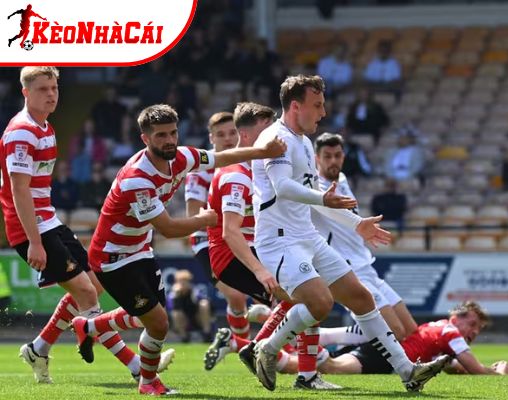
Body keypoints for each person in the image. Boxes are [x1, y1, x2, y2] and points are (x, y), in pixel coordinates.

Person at [69, 103, 287, 395]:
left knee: (150, 317)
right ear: (145, 139)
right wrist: (203, 220)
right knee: (159, 323)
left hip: (140, 248)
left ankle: (90, 327)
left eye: (173, 133)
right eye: (161, 135)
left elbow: (221, 158)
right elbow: (169, 228)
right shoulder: (137, 179)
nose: (169, 140)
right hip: (113, 257)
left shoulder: (182, 156)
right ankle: (148, 383)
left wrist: (262, 152)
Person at [250, 75, 447, 393]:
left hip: (306, 235)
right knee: (320, 303)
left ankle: (408, 371)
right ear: (296, 106)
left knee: (361, 297)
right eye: (317, 105)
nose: (323, 112)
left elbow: (315, 196)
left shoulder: (301, 141)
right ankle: (268, 349)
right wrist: (321, 198)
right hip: (280, 239)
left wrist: (357, 224)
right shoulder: (276, 138)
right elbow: (281, 187)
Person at [3, 67, 174, 385]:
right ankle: (137, 366)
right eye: (42, 89)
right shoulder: (22, 132)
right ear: (26, 92)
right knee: (86, 294)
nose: (51, 94)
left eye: (54, 87)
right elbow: (18, 189)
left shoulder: (46, 128)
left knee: (93, 285)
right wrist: (34, 241)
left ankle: (38, 348)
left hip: (49, 220)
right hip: (31, 227)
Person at [202, 101, 340, 390]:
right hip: (234, 255)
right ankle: (277, 358)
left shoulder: (258, 167)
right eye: (267, 130)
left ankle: (287, 364)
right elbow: (230, 232)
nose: (276, 136)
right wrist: (260, 272)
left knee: (307, 294)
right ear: (249, 136)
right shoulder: (236, 175)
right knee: (307, 296)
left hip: (257, 247)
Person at [312, 132, 418, 345]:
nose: (333, 161)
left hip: (365, 264)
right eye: (327, 156)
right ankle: (322, 339)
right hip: (347, 270)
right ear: (317, 158)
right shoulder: (315, 190)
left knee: (410, 330)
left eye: (338, 155)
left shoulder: (341, 179)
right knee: (394, 331)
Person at [185, 112, 252, 344]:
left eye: (232, 132)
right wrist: (216, 218)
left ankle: (242, 345)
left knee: (273, 293)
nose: (228, 139)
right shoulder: (201, 169)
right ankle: (243, 346)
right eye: (221, 134)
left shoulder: (250, 162)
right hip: (209, 240)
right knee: (235, 295)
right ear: (211, 138)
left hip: (244, 237)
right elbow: (193, 215)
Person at [307, 301, 508, 376]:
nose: (475, 332)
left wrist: (486, 370)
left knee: (317, 366)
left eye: (479, 328)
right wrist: (500, 373)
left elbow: (454, 367)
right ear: (455, 318)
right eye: (473, 324)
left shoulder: (438, 328)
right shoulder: (451, 333)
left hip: (383, 350)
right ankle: (308, 338)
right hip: (386, 358)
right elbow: (474, 370)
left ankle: (297, 344)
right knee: (330, 368)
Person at [167, 269, 213, 343]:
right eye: (181, 281)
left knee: (204, 303)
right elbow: (171, 308)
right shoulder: (173, 295)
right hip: (182, 322)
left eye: (186, 281)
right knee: (176, 313)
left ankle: (206, 334)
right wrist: (176, 296)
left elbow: (207, 303)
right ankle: (184, 337)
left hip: (197, 318)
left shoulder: (194, 291)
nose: (183, 283)